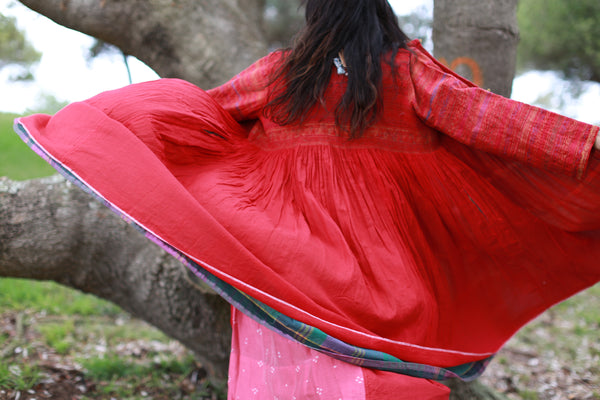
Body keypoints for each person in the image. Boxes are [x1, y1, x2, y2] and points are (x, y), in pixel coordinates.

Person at [14, 0, 600, 398]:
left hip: (285, 260)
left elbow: (203, 112)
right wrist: (587, 146)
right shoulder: (411, 72)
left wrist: (102, 131)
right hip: (385, 272)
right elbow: (492, 122)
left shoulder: (283, 75)